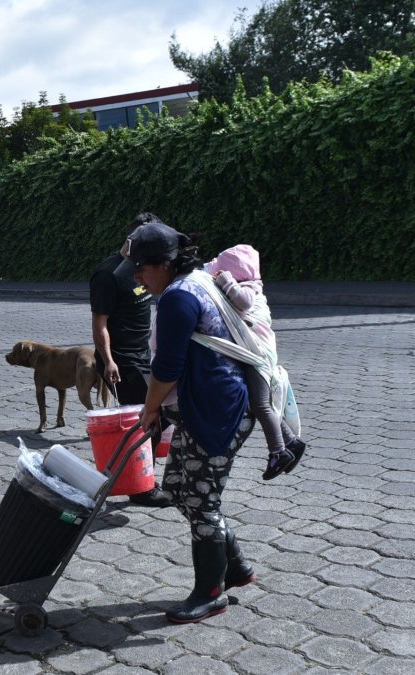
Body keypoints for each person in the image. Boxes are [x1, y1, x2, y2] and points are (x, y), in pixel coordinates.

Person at [121, 221, 257, 624]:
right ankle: (235, 567)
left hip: (215, 414)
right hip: (207, 407)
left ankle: (211, 592)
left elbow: (166, 367)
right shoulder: (198, 279)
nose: (138, 278)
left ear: (165, 263)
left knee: (200, 500)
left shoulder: (178, 298)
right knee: (179, 487)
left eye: (143, 269)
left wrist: (149, 409)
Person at [90, 212, 173, 508]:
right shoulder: (108, 275)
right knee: (144, 421)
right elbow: (100, 324)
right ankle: (141, 489)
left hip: (145, 355)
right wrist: (108, 360)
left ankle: (141, 478)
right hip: (122, 361)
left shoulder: (141, 270)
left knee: (154, 418)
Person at [206, 244, 307, 480]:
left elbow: (244, 303)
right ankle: (291, 441)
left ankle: (278, 452)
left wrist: (227, 281)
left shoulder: (248, 288)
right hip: (258, 352)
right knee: (259, 402)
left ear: (236, 273)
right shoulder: (250, 283)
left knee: (261, 405)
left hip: (258, 355)